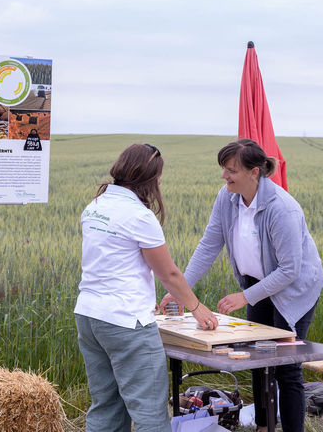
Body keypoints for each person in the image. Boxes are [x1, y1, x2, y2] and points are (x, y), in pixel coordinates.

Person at [161, 139, 323, 432]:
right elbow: (208, 245)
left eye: (231, 170)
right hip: (256, 285)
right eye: (224, 169)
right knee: (259, 363)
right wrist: (179, 289)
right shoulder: (227, 198)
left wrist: (243, 297)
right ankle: (264, 427)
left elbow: (289, 270)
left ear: (255, 172)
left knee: (286, 369)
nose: (225, 176)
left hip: (293, 290)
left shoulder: (282, 209)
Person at [74, 143, 218, 432]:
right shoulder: (140, 216)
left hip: (89, 316)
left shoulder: (96, 206)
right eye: (158, 176)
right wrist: (197, 308)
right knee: (150, 413)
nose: (160, 182)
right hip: (126, 322)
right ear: (149, 179)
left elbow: (114, 262)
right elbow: (169, 274)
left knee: (106, 407)